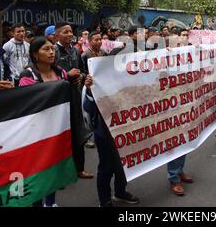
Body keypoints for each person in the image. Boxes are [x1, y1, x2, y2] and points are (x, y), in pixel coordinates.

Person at [19, 37, 69, 207]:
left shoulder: (61, 72)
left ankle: (51, 202)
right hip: (35, 132)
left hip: (57, 129)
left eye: (52, 49)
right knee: (37, 170)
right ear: (35, 54)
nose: (51, 52)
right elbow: (28, 102)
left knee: (53, 168)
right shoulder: (28, 75)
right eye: (46, 49)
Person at [83, 75, 140, 207]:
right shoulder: (94, 79)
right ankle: (105, 201)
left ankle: (120, 192)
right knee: (106, 167)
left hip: (126, 129)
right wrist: (90, 91)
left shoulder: (127, 77)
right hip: (105, 133)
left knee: (123, 165)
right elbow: (88, 108)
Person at [54, 21, 93, 179]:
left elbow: (83, 71)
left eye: (70, 31)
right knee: (61, 138)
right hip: (59, 101)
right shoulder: (53, 51)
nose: (69, 34)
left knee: (79, 134)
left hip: (76, 97)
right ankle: (60, 174)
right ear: (56, 35)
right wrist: (66, 77)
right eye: (65, 32)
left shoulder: (76, 51)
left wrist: (82, 77)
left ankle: (79, 169)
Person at [163, 31, 193, 196]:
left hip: (185, 105)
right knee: (174, 142)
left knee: (184, 140)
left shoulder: (185, 60)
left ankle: (179, 170)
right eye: (177, 44)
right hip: (169, 108)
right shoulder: (160, 60)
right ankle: (173, 177)